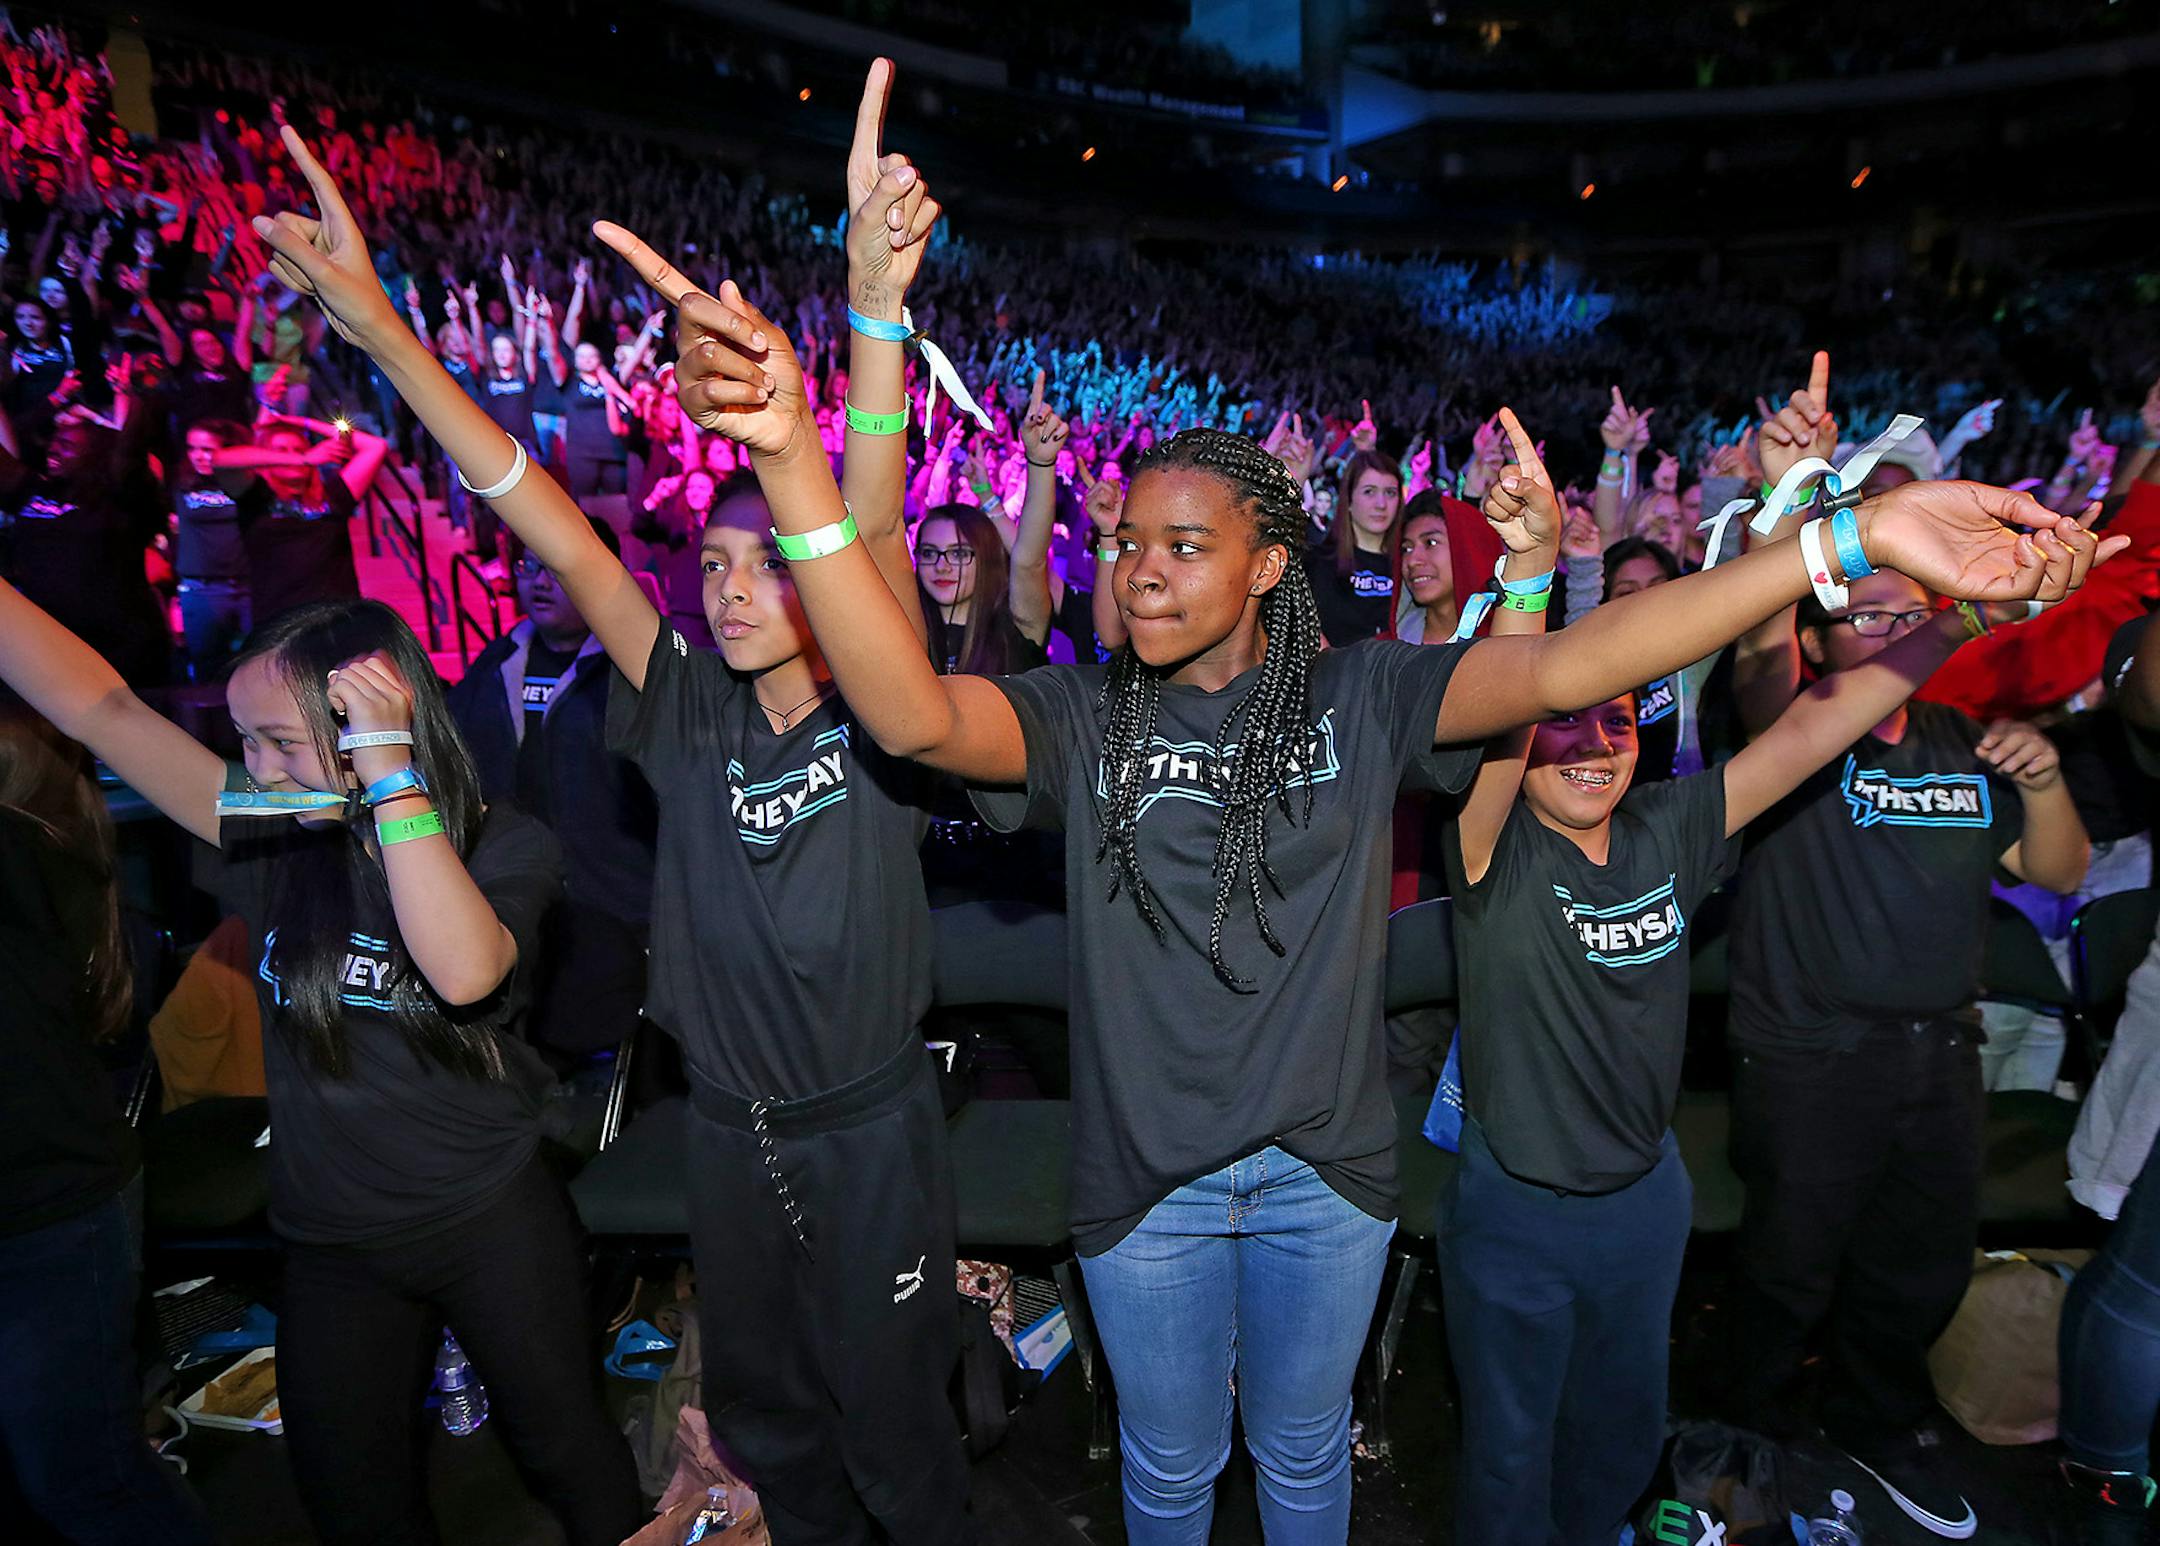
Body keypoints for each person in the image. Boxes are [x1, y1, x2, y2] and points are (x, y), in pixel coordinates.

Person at [623, 165, 2091, 1545]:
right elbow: (898, 702)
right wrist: (795, 455)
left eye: (1184, 543)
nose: (1140, 564)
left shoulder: (1367, 691)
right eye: (1128, 540)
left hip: (1326, 1178)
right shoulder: (1080, 715)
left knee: (1311, 1452)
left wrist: (1851, 534)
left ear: (1270, 564)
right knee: (1170, 1463)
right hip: (1145, 1190)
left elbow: (1583, 652)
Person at [245, 97, 973, 1542]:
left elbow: (867, 527)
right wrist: (386, 333)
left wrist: (872, 313)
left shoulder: (877, 697)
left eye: (770, 566)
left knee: (898, 1433)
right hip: (728, 1130)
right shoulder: (684, 703)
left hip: (871, 1134)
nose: (736, 586)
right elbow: (545, 518)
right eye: (714, 562)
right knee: (773, 1431)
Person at [1438, 422, 2112, 1546]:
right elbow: (1518, 691)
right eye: (1563, 724)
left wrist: (1959, 612)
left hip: (1646, 1203)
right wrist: (1530, 569)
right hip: (1521, 1209)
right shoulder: (1493, 850)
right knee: (1509, 1453)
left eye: (1614, 717)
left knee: (1618, 1433)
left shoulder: (1675, 824)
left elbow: (1826, 719)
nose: (1592, 742)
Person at [0, 586, 642, 1546]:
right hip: (331, 1244)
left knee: (570, 1462)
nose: (254, 769)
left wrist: (388, 773)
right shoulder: (270, 836)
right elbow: (101, 709)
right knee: (351, 1501)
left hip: (487, 1220)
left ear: (372, 727)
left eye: (281, 743)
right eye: (243, 741)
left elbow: (464, 973)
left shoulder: (504, 841)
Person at [1723, 558, 2097, 1538]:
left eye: (1907, 613)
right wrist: (1787, 505)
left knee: (1918, 1264)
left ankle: (1876, 1426)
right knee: (1789, 1268)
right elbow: (1758, 656)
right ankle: (1754, 1444)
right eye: (1861, 614)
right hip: (1811, 1055)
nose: (1886, 628)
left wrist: (2048, 776)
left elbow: (2059, 871)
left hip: (1938, 1054)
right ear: (1814, 639)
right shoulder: (1793, 732)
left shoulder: (1961, 742)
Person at [0, 702, 218, 1546]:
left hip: (49, 1208)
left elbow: (100, 702)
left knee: (84, 1480)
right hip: (52, 1192)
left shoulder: (28, 859)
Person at [446, 518, 656, 1062]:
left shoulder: (636, 672)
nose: (538, 581)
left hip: (615, 900)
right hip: (514, 895)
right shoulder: (496, 663)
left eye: (555, 571)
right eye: (528, 567)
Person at [242, 411, 387, 623]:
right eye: (282, 451)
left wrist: (297, 421)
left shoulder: (334, 495)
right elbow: (221, 460)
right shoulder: (255, 498)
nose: (293, 456)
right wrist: (301, 458)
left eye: (299, 449)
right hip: (280, 624)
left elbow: (375, 446)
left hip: (338, 620)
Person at [168, 416, 268, 675]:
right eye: (192, 448)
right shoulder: (181, 483)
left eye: (207, 449)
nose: (198, 456)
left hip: (249, 588)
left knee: (259, 666)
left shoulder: (245, 486)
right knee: (208, 669)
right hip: (202, 591)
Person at [1305, 446, 1402, 645]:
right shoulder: (1318, 562)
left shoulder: (1411, 566)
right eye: (1369, 492)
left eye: (1390, 493)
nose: (1381, 504)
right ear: (1348, 500)